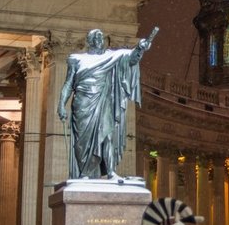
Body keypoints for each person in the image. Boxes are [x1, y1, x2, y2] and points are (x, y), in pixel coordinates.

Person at [57, 27, 156, 179]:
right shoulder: (76, 59)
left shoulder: (111, 56)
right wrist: (61, 105)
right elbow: (68, 84)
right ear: (89, 41)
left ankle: (111, 171)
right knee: (83, 142)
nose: (100, 40)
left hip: (103, 101)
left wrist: (140, 48)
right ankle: (85, 172)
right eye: (96, 37)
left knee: (107, 135)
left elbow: (131, 58)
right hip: (82, 104)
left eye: (101, 37)